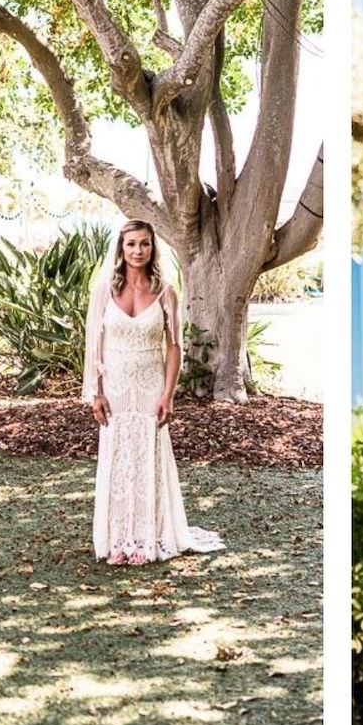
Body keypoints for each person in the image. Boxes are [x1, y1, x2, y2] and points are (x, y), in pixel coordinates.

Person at [82, 219, 224, 565]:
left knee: (149, 457)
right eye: (131, 244)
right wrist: (95, 393)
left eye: (144, 244)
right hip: (114, 383)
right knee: (117, 458)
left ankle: (149, 539)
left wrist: (169, 394)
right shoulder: (104, 290)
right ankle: (118, 541)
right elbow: (94, 345)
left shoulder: (166, 291)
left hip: (150, 383)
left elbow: (174, 346)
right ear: (121, 248)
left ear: (152, 248)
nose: (137, 251)